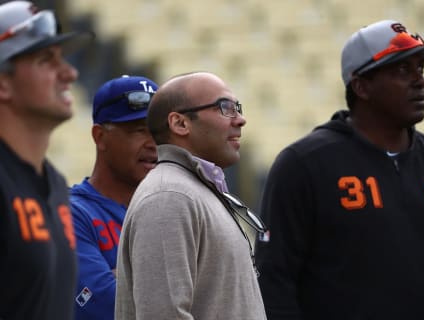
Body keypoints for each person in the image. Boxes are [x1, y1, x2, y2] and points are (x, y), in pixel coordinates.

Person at [256, 19, 424, 320]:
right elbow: (274, 281)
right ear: (361, 86)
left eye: (420, 69)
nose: (419, 81)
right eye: (402, 70)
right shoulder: (304, 164)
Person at [115, 71, 267, 320]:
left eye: (237, 108)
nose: (240, 120)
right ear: (180, 124)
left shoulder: (191, 190)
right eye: (225, 108)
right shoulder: (169, 196)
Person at [0, 1, 93, 319]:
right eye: (45, 61)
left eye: (62, 59)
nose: (69, 73)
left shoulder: (53, 181)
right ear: (3, 82)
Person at [70, 75, 158, 320]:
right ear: (100, 137)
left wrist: (125, 277)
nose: (154, 144)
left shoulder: (168, 210)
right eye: (139, 131)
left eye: (159, 132)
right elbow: (106, 307)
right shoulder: (72, 214)